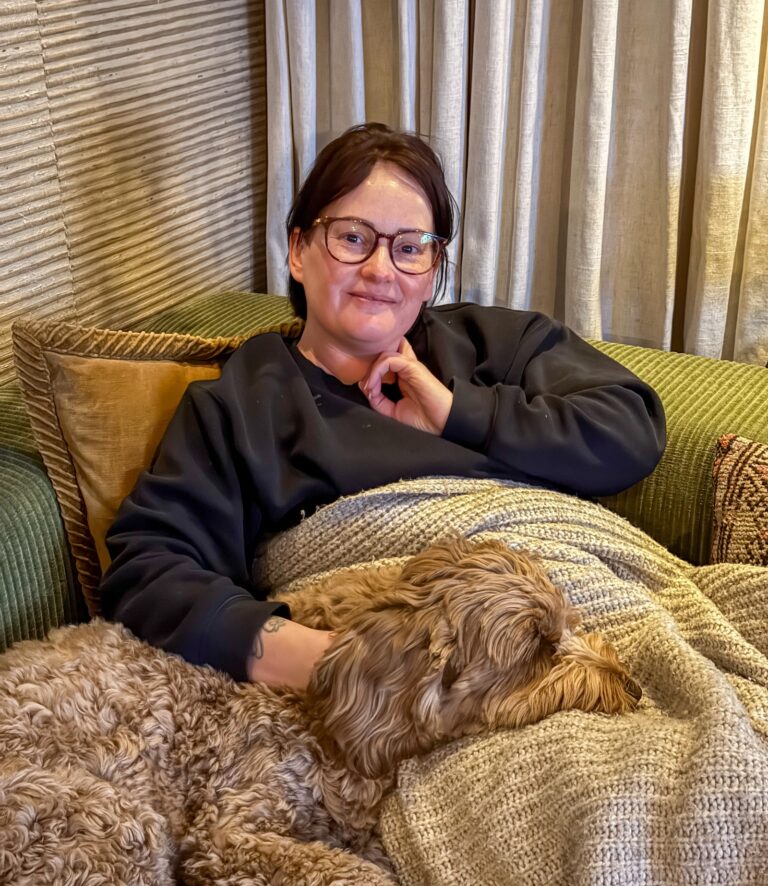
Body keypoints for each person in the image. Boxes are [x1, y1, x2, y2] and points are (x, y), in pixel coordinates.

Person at [101, 122, 666, 693]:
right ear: (298, 250)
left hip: (578, 619)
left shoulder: (493, 347)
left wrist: (457, 414)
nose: (379, 270)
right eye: (352, 238)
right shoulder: (245, 402)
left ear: (434, 271)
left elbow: (632, 430)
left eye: (409, 248)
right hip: (415, 680)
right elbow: (148, 571)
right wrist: (342, 668)